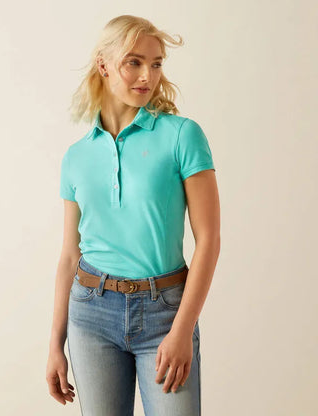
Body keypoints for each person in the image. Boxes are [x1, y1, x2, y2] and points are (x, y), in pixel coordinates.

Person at [46, 15, 220, 416]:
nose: (147, 76)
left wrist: (182, 329)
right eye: (134, 62)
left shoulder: (182, 135)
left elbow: (209, 240)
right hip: (90, 313)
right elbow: (70, 255)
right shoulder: (76, 156)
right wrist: (56, 343)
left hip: (165, 311)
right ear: (103, 65)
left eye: (156, 64)